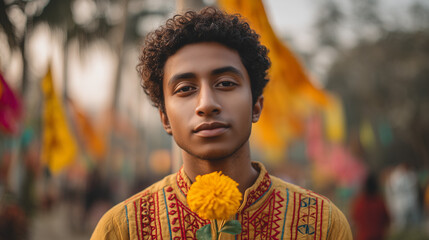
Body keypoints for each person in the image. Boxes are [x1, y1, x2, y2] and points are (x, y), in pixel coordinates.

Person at [91, 7, 352, 239]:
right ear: (165, 118)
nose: (206, 103)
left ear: (256, 106)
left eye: (226, 83)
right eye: (185, 88)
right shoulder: (123, 229)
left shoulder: (321, 224)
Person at [351, 173, 390, 240]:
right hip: (378, 236)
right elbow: (387, 220)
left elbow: (354, 219)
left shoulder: (359, 203)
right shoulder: (380, 202)